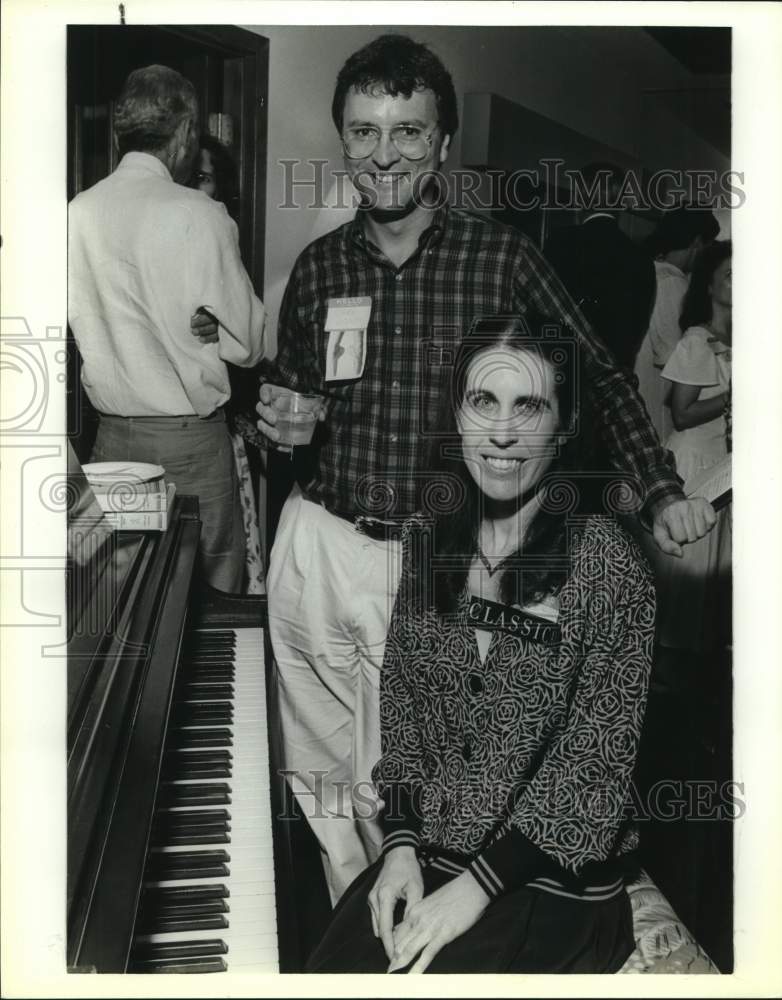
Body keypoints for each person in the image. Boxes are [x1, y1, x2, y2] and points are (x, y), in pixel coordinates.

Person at [254, 33, 714, 903]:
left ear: (443, 144)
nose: (383, 153)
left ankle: (409, 925)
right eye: (362, 131)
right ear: (342, 139)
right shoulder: (318, 268)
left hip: (422, 561)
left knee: (397, 789)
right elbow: (297, 398)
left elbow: (596, 371)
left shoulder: (499, 259)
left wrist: (657, 489)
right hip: (313, 542)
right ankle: (351, 927)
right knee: (315, 779)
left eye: (407, 131)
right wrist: (283, 417)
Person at [305, 316, 655, 973]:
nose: (501, 432)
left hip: (550, 874)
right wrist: (401, 847)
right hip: (434, 849)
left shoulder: (609, 565)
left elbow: (594, 769)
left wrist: (476, 889)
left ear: (565, 423)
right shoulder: (428, 540)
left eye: (530, 406)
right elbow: (404, 714)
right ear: (457, 414)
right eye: (483, 402)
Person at [68, 65, 266, 593]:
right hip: (191, 447)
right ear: (184, 135)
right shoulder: (200, 213)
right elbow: (250, 344)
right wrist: (213, 331)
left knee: (118, 609)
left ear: (117, 135)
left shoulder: (76, 213)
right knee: (206, 606)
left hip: (111, 442)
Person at [190, 134, 265, 594]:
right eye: (186, 177)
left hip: (216, 434)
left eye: (202, 179)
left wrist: (224, 329)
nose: (191, 189)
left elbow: (250, 347)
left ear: (219, 190)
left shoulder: (221, 240)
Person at [653, 241, 732, 664]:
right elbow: (681, 414)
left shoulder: (732, 340)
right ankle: (662, 671)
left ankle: (688, 669)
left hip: (719, 463)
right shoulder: (697, 341)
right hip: (691, 463)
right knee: (685, 576)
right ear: (709, 286)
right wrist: (739, 395)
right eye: (731, 277)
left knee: (706, 579)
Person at [543, 162, 656, 369]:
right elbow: (635, 330)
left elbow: (540, 310)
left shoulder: (560, 242)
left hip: (563, 370)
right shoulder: (641, 258)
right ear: (620, 202)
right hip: (614, 375)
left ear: (579, 199)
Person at [633, 206, 720, 441]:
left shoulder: (647, 270)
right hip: (657, 394)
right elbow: (677, 358)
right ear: (697, 243)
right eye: (708, 246)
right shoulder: (671, 283)